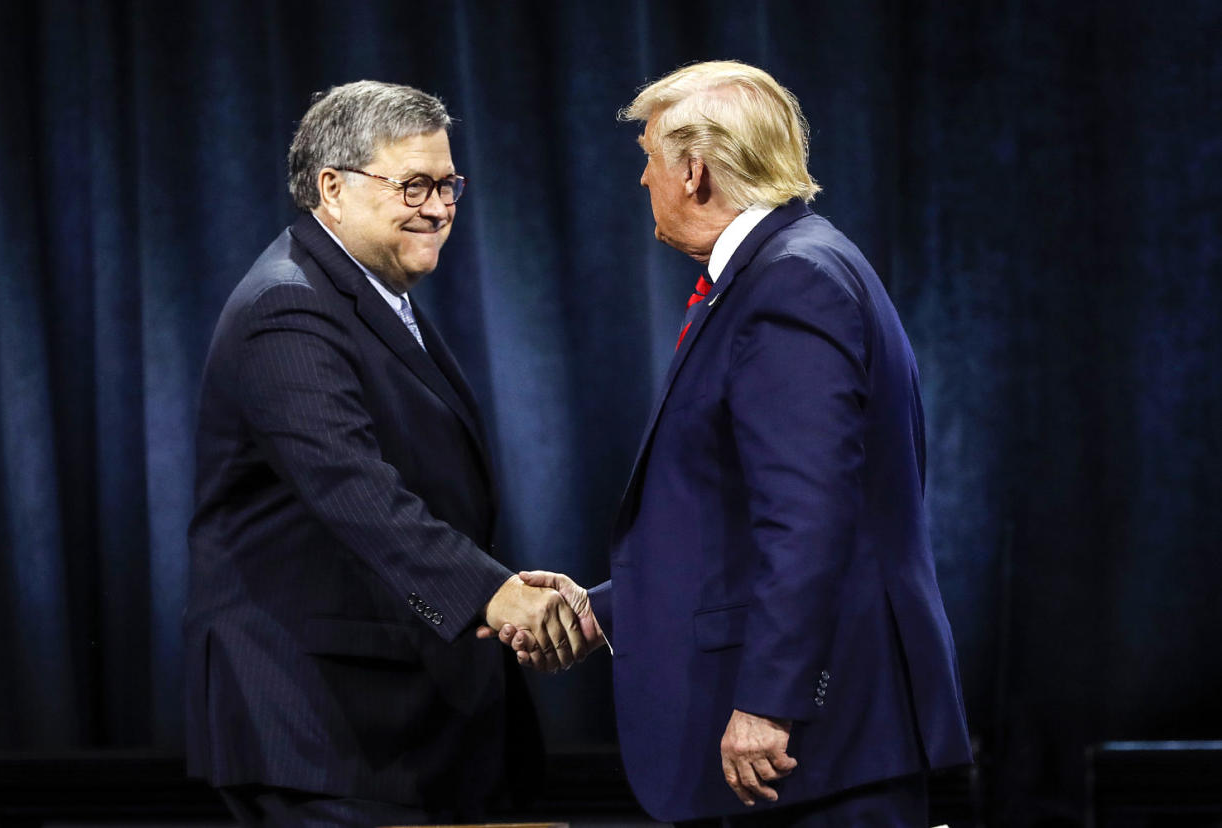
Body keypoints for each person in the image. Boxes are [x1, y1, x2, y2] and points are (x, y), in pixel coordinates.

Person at [500, 61, 972, 826]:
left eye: (649, 158)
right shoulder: (791, 266)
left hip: (815, 749)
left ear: (693, 173)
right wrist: (602, 613)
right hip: (822, 744)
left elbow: (809, 517)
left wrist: (771, 702)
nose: (643, 179)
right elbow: (736, 517)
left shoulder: (790, 283)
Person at [183, 80, 589, 827]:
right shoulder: (289, 306)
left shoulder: (370, 295)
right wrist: (492, 594)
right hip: (321, 728)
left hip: (393, 726)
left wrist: (497, 586)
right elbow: (352, 487)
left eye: (447, 184)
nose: (438, 207)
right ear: (332, 188)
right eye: (414, 184)